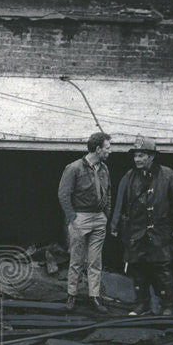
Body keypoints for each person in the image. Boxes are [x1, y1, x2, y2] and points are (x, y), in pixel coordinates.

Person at [114, 136, 173, 316]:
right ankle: (142, 305)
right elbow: (120, 202)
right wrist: (115, 225)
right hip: (136, 232)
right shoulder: (129, 176)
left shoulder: (167, 175)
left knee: (162, 270)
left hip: (160, 232)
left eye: (142, 155)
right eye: (136, 155)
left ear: (152, 156)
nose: (137, 159)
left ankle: (167, 306)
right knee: (138, 270)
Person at [57, 132, 112, 313]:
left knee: (95, 260)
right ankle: (71, 295)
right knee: (77, 259)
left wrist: (106, 215)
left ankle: (94, 297)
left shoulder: (104, 169)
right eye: (107, 148)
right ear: (97, 149)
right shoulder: (74, 168)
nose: (109, 151)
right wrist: (73, 218)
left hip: (99, 218)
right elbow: (63, 195)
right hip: (81, 217)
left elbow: (108, 192)